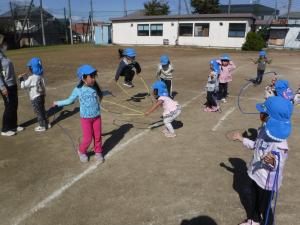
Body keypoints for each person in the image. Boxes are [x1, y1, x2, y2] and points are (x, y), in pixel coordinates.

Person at [233, 96, 292, 225]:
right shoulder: (264, 130)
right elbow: (256, 145)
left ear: (271, 118)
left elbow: (278, 164)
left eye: (263, 113)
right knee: (252, 198)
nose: (260, 115)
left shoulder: (280, 145)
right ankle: (254, 220)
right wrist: (242, 139)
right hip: (255, 174)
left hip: (267, 183)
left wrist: (273, 161)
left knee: (264, 208)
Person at [53, 65, 104, 163]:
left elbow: (100, 95)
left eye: (94, 76)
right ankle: (81, 151)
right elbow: (69, 100)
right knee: (88, 138)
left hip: (97, 117)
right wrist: (57, 103)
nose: (93, 79)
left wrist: (98, 104)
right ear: (83, 78)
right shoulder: (78, 90)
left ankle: (98, 151)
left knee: (97, 136)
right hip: (86, 119)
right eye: (91, 77)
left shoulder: (94, 86)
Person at [0, 34, 23, 136]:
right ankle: (5, 129)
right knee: (9, 106)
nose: (6, 44)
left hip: (12, 84)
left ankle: (13, 125)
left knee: (14, 105)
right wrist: (2, 87)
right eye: (4, 42)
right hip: (6, 86)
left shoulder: (3, 55)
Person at [19, 57, 50, 132]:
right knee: (42, 110)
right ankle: (46, 123)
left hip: (35, 97)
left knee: (38, 112)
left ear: (33, 68)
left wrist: (21, 79)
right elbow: (42, 85)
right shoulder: (40, 76)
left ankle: (42, 126)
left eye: (30, 67)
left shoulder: (31, 78)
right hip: (41, 96)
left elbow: (23, 86)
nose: (29, 69)